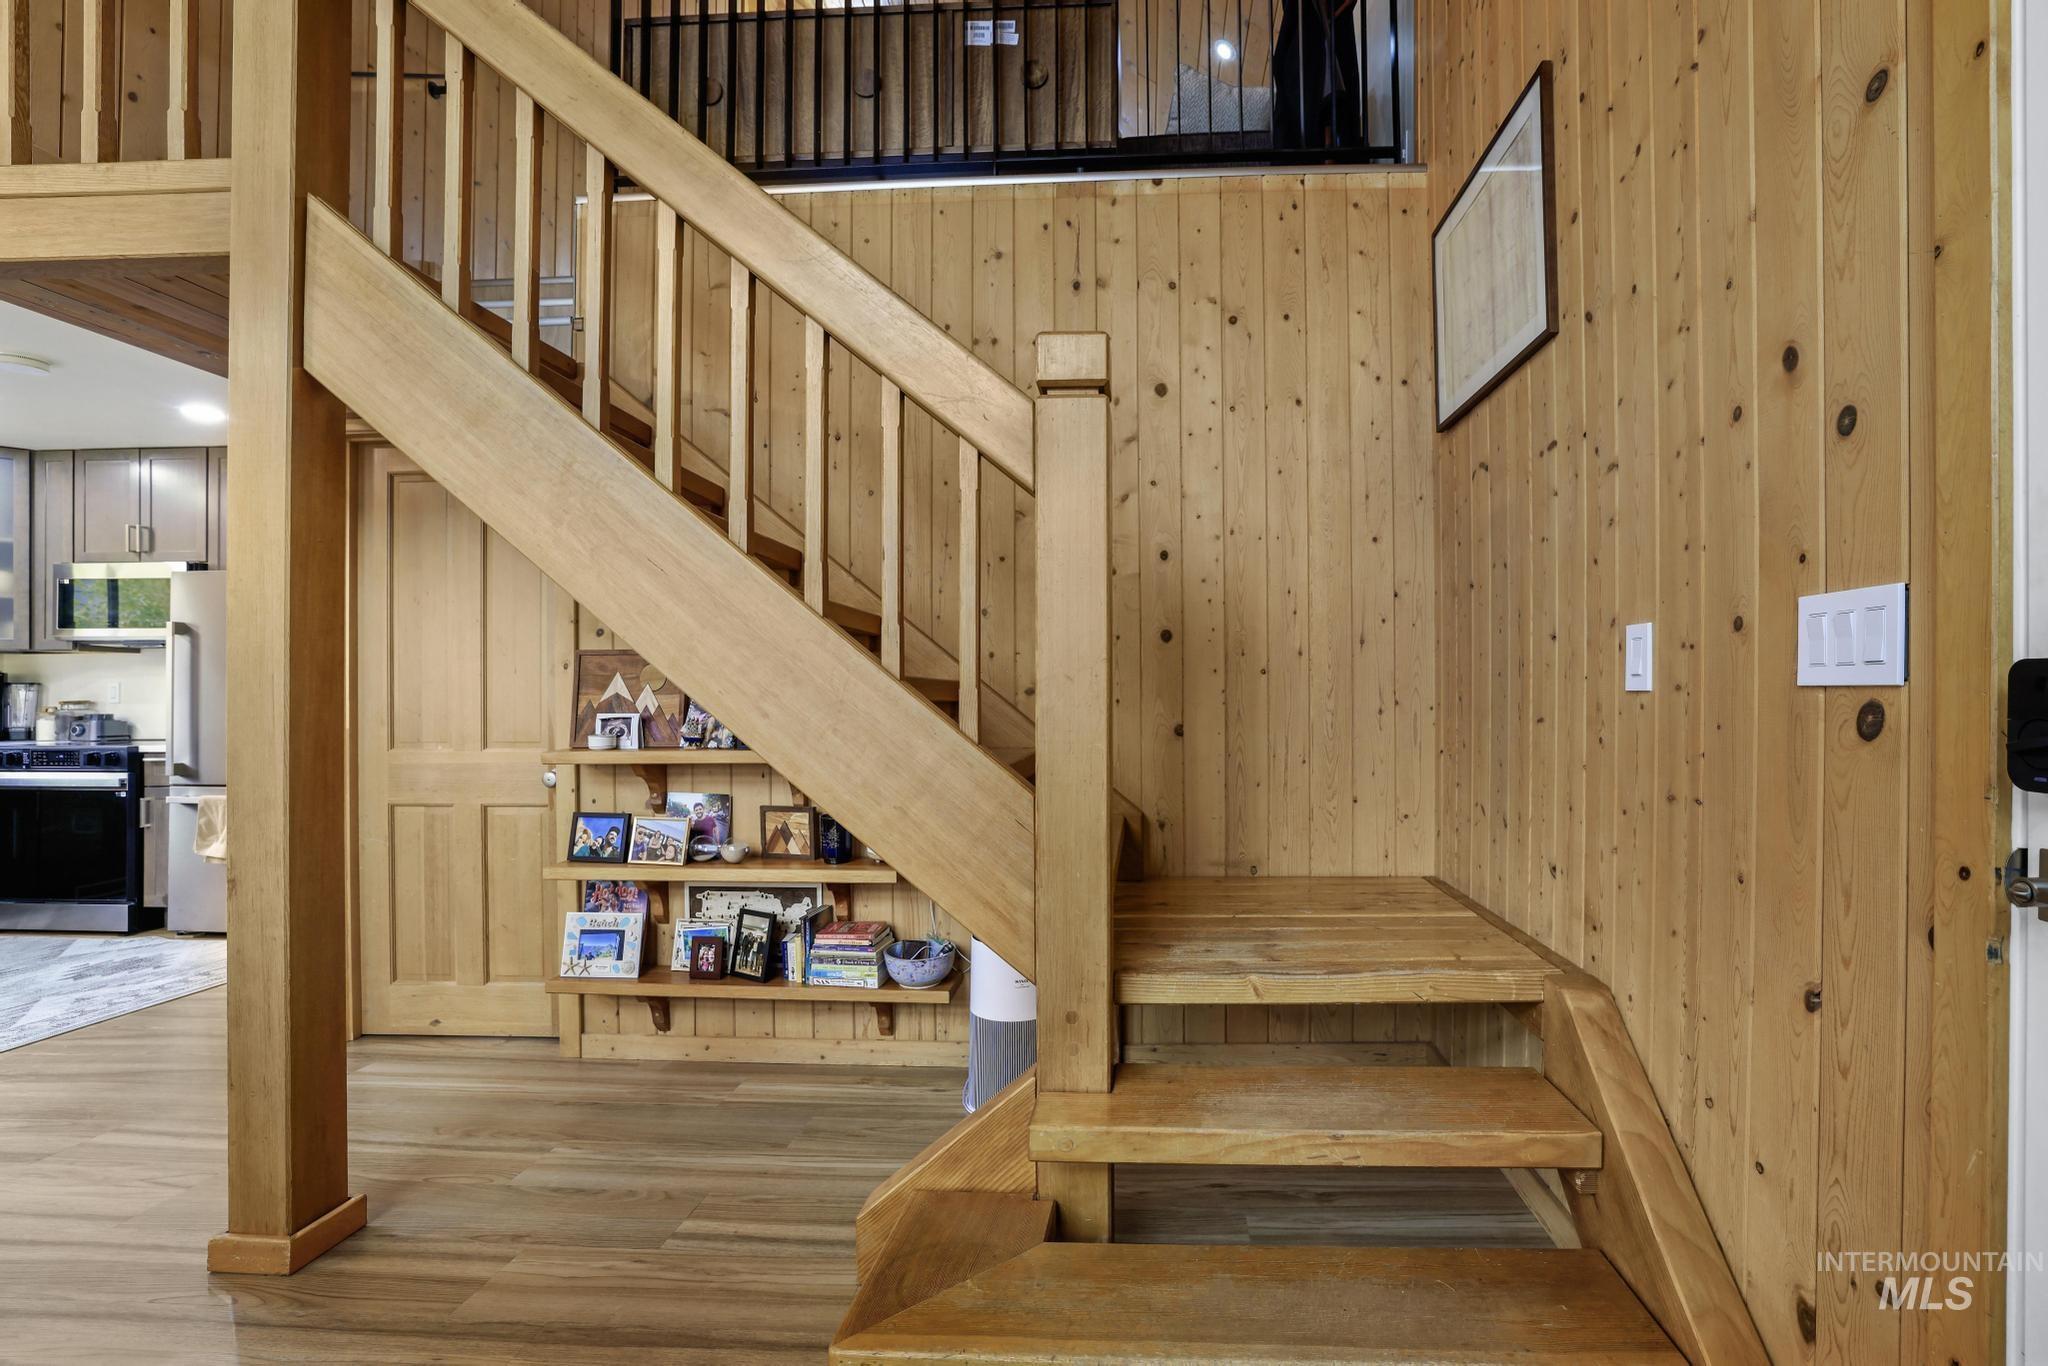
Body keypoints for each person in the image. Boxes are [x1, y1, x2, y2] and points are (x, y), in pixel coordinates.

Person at [1273, 0, 1361, 149]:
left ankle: (1328, 144)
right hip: (1309, 39)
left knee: (1328, 83)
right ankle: (1327, 144)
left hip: (1322, 36)